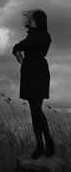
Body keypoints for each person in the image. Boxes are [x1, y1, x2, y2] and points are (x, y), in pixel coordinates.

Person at [12, 9, 55, 159]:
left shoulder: (44, 36)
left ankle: (49, 141)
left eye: (32, 18)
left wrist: (20, 47)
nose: (29, 20)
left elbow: (27, 44)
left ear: (38, 20)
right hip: (28, 73)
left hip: (39, 73)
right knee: (33, 111)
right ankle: (40, 146)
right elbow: (17, 46)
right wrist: (17, 52)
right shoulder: (31, 35)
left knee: (36, 109)